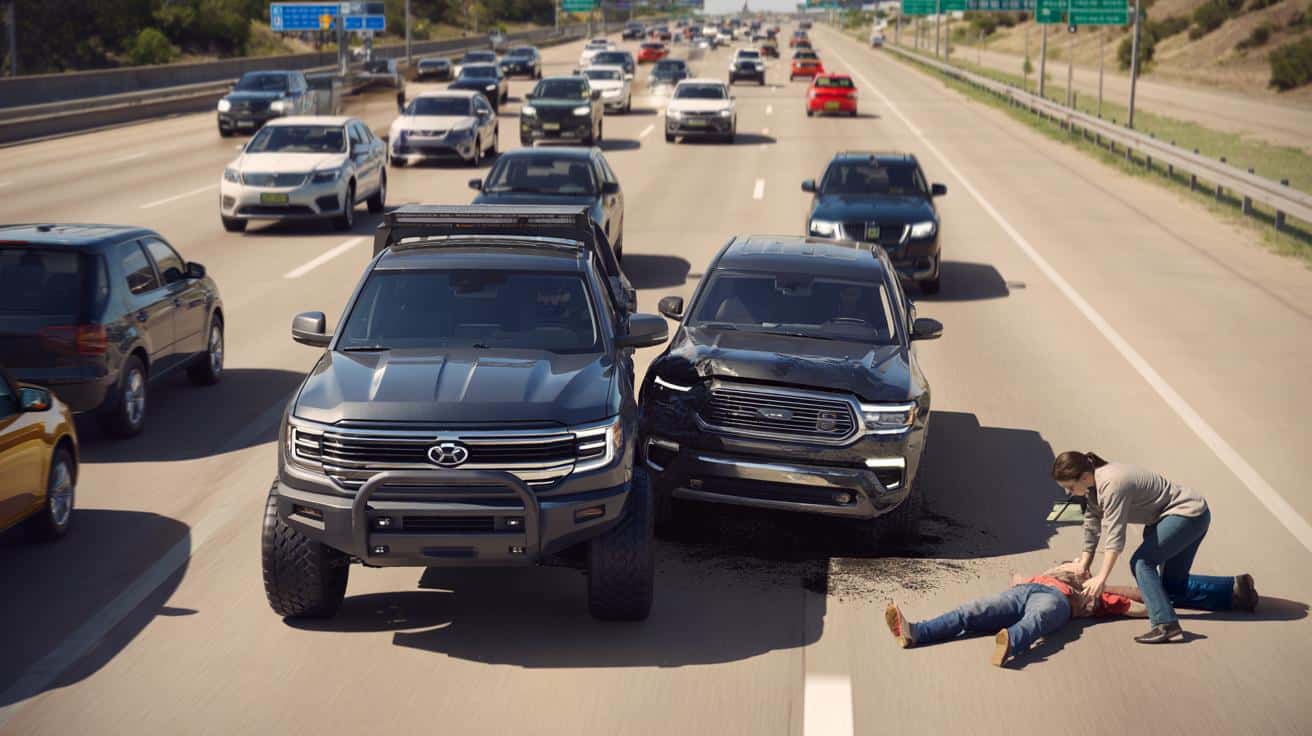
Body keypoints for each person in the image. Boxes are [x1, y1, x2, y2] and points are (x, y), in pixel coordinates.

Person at [1051, 451, 1258, 644]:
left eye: (1070, 487)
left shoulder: (1113, 484)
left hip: (1186, 515)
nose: (1069, 493)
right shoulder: (1093, 487)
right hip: (1180, 517)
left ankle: (1165, 624)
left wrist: (1101, 578)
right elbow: (1092, 524)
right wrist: (1084, 564)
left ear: (1085, 477)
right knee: (1171, 587)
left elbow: (1115, 535)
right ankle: (1236, 590)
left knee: (1141, 563)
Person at [885, 562, 1147, 667]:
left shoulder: (1090, 589)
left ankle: (1010, 641)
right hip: (1022, 592)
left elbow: (1131, 600)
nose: (1079, 562)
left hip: (1058, 601)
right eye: (1076, 561)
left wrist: (1154, 607)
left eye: (1083, 565)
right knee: (971, 610)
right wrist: (1021, 580)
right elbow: (1016, 577)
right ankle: (916, 632)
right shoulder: (1049, 572)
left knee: (1037, 620)